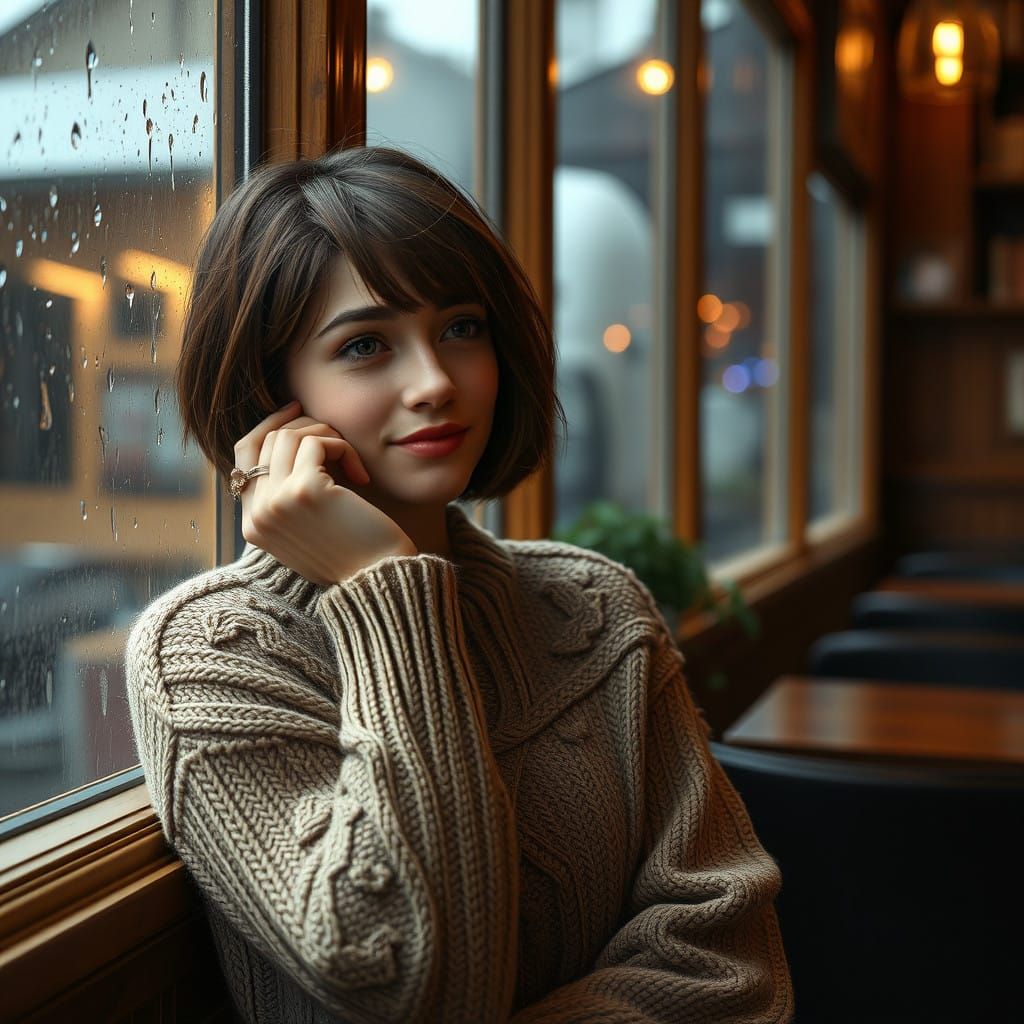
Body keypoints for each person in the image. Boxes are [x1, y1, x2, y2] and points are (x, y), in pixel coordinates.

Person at [125, 145, 794, 1024]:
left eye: (462, 328)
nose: (436, 382)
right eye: (365, 345)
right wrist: (382, 588)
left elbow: (733, 964)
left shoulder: (595, 608)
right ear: (273, 392)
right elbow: (410, 984)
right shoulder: (207, 656)